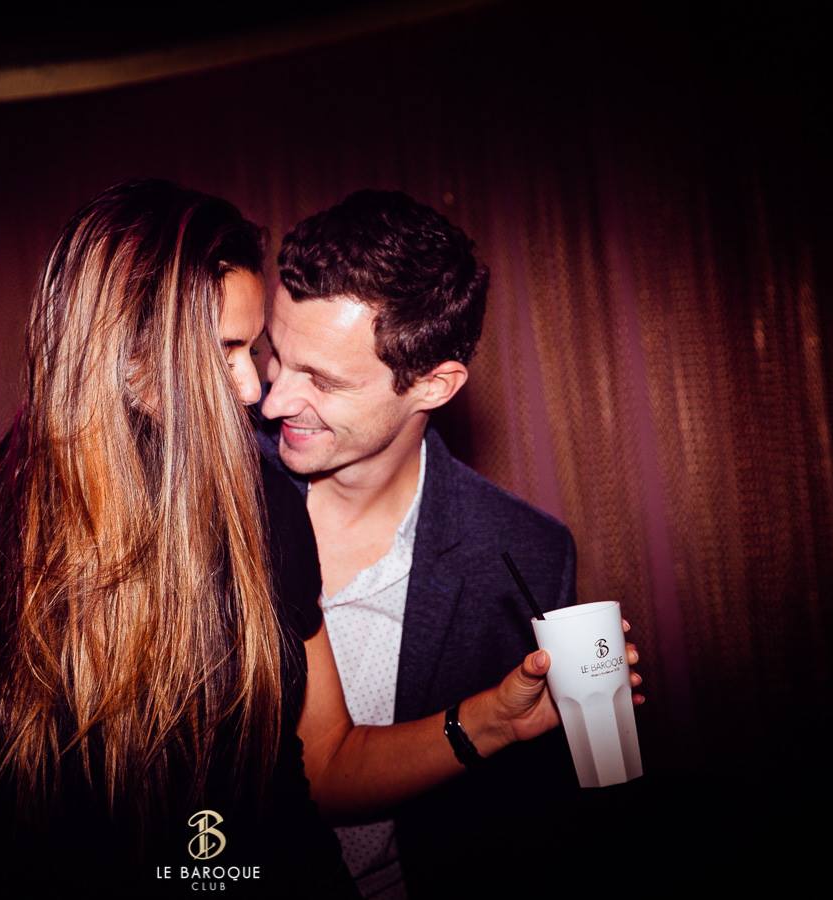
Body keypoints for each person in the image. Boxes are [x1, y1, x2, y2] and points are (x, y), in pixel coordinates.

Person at [0, 179, 641, 897]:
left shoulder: (259, 502)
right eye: (233, 351)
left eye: (256, 351)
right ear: (127, 352)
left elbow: (325, 763)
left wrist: (495, 721)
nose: (258, 392)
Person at [255, 188, 646, 897]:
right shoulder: (214, 484)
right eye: (276, 355)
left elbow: (533, 819)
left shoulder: (522, 552)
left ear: (433, 385)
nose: (272, 398)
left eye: (322, 380)